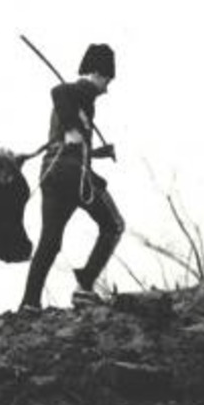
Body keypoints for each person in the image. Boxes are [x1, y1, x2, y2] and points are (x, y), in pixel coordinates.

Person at [20, 43, 123, 312]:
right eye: (107, 80)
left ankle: (29, 303)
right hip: (70, 172)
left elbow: (73, 144)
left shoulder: (81, 100)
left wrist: (98, 152)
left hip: (52, 172)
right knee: (114, 225)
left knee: (50, 241)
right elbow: (58, 91)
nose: (107, 88)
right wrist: (73, 127)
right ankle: (84, 286)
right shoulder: (79, 92)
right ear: (98, 74)